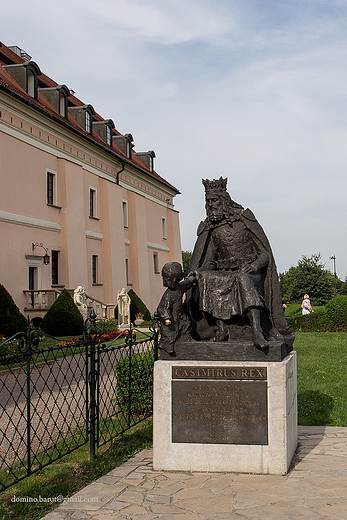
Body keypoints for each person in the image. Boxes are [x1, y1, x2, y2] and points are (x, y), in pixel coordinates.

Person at [188, 177, 294, 351]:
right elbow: (207, 261)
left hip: (250, 272)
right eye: (208, 201)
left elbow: (265, 254)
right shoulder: (211, 228)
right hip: (224, 273)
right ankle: (221, 330)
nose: (211, 205)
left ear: (224, 200)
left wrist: (253, 266)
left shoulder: (244, 219)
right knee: (207, 278)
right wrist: (198, 273)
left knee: (242, 278)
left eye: (214, 200)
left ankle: (257, 330)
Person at [157, 262, 196, 354]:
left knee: (186, 325)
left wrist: (191, 279)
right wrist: (166, 318)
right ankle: (167, 346)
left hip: (179, 315)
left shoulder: (179, 287)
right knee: (169, 333)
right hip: (171, 318)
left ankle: (187, 340)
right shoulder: (168, 294)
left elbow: (186, 284)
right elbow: (162, 308)